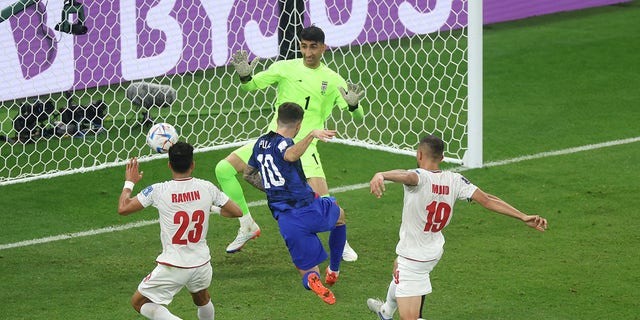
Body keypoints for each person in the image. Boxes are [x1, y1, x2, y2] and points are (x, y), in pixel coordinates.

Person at [215, 25, 364, 261]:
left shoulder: (333, 79)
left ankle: (341, 242)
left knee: (324, 201)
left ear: (323, 48)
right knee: (223, 168)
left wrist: (354, 105)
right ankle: (247, 225)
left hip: (305, 146)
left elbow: (358, 116)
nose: (308, 52)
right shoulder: (284, 68)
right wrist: (244, 75)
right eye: (304, 46)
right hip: (271, 142)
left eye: (313, 47)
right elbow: (250, 86)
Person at [365, 135, 548, 320]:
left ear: (419, 154)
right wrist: (522, 216)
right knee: (398, 265)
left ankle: (387, 312)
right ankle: (386, 311)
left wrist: (382, 174)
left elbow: (408, 175)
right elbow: (487, 199)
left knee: (410, 317)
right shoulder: (456, 180)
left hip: (414, 259)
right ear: (442, 158)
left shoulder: (419, 178)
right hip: (432, 250)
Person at [118, 142, 243, 320]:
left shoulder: (158, 190)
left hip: (173, 266)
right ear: (193, 164)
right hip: (201, 263)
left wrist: (130, 181)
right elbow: (236, 212)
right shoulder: (207, 187)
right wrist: (211, 208)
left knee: (138, 302)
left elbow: (123, 208)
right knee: (201, 297)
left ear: (169, 165)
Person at [242, 102, 346, 304]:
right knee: (340, 216)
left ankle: (313, 280)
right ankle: (334, 269)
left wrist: (273, 189)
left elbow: (248, 174)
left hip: (286, 218)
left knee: (307, 270)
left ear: (278, 119)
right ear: (298, 125)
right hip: (309, 207)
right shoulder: (284, 143)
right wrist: (312, 135)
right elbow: (290, 155)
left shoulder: (260, 143)